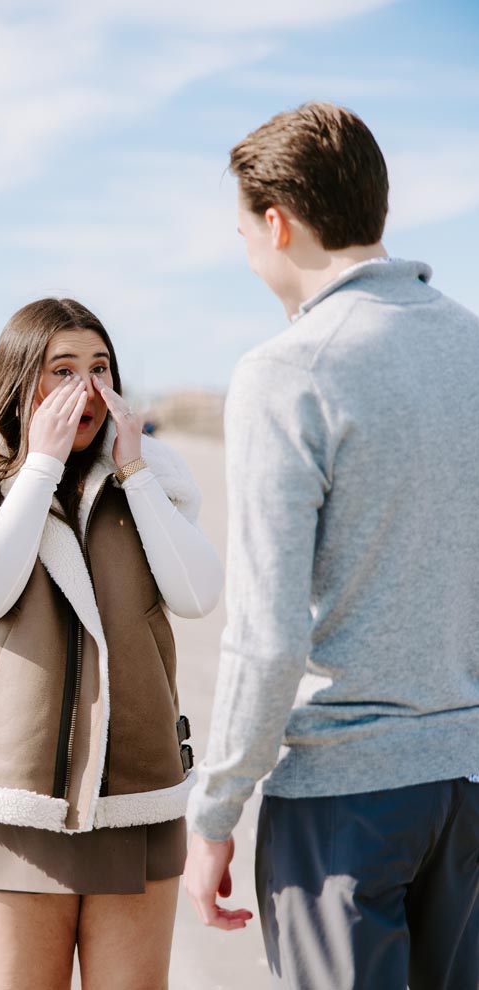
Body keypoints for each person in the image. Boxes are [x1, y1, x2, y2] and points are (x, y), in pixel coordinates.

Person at [184, 101, 479, 990]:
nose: (245, 252)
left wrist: (216, 809)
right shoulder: (471, 346)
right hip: (467, 784)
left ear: (277, 222)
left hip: (344, 802)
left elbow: (267, 636)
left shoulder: (287, 371)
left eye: (242, 229)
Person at [0, 297, 223, 990]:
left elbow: (198, 595)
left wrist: (135, 474)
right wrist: (38, 468)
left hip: (138, 793)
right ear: (19, 382)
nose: (86, 388)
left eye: (99, 368)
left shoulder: (151, 479)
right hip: (13, 798)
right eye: (61, 369)